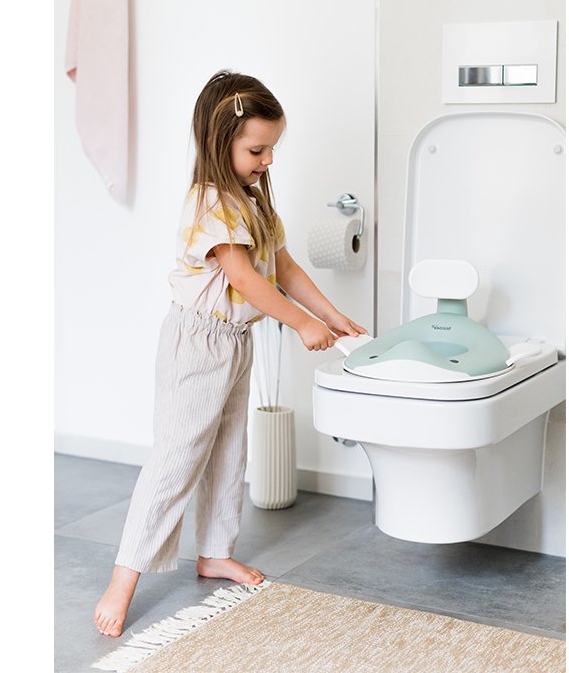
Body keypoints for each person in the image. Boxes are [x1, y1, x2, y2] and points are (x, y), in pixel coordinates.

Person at [93, 70, 367, 637]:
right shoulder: (209, 203)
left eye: (271, 149)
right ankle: (124, 576)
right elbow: (243, 278)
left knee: (228, 452)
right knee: (177, 456)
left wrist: (332, 316)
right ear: (221, 144)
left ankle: (215, 552)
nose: (268, 160)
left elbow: (283, 267)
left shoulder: (252, 201)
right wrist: (300, 323)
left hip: (236, 342)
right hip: (197, 343)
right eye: (257, 150)